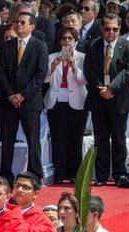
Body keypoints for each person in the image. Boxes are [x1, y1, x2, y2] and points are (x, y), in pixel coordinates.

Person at [83, 13, 129, 186]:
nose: (111, 32)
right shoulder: (93, 45)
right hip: (99, 98)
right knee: (100, 139)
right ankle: (101, 176)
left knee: (119, 139)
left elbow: (128, 71)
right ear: (101, 28)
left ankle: (120, 174)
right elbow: (88, 70)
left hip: (119, 98)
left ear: (120, 29)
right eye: (107, 29)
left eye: (114, 29)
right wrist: (101, 89)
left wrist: (111, 88)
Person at [0, 12, 48, 184]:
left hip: (30, 101)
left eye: (22, 22)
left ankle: (35, 174)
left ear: (32, 27)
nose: (18, 25)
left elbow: (40, 75)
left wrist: (22, 95)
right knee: (7, 140)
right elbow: (2, 72)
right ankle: (5, 175)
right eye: (17, 22)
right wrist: (11, 94)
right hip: (9, 101)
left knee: (33, 139)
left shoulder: (40, 46)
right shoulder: (8, 45)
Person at [44, 27, 87, 185]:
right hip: (56, 101)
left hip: (77, 101)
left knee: (75, 138)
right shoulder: (51, 57)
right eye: (64, 38)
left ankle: (75, 174)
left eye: (70, 38)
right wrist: (54, 65)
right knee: (58, 138)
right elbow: (45, 79)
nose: (67, 41)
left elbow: (83, 80)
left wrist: (74, 65)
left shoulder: (82, 57)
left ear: (75, 41)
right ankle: (59, 173)